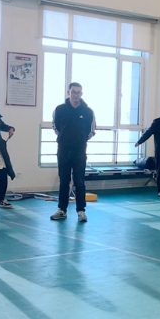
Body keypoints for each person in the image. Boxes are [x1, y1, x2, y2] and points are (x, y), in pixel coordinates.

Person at [51, 83, 96, 222]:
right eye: (73, 92)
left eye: (78, 92)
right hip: (63, 150)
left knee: (79, 181)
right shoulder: (59, 109)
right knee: (64, 180)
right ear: (68, 92)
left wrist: (81, 141)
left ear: (81, 94)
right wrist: (64, 139)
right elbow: (55, 126)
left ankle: (81, 211)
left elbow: (91, 130)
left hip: (79, 151)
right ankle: (61, 210)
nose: (76, 95)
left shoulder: (88, 112)